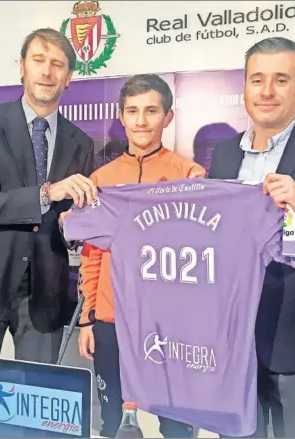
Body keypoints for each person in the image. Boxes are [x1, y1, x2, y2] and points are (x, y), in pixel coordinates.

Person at [0, 27, 97, 414]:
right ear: (22, 68)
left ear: (69, 77)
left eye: (57, 64)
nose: (47, 72)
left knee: (37, 405)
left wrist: (77, 226)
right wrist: (48, 193)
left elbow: (72, 220)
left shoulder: (81, 142)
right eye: (38, 61)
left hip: (45, 290)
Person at [73, 74, 206, 438]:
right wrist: (88, 319)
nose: (142, 120)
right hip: (111, 319)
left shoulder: (190, 176)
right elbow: (93, 255)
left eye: (151, 111)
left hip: (172, 323)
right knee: (112, 421)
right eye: (133, 111)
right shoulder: (101, 179)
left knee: (178, 424)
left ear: (168, 117)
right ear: (122, 116)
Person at [208, 37, 295, 438]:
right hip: (232, 340)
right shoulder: (223, 155)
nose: (266, 91)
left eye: (281, 79)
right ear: (245, 87)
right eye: (257, 80)